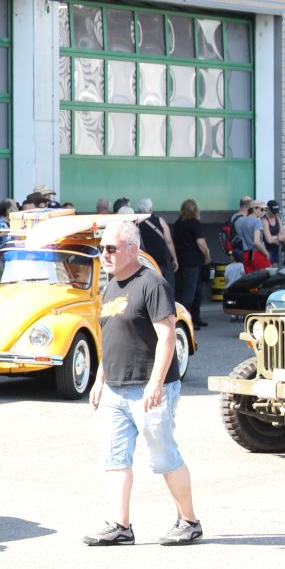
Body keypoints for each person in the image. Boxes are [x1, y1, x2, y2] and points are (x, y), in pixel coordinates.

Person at [84, 221, 201, 546]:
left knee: (164, 456)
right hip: (115, 389)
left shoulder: (152, 284)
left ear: (133, 250)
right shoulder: (111, 286)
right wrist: (100, 379)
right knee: (115, 458)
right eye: (102, 249)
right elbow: (110, 337)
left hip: (147, 389)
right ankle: (120, 526)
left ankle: (189, 521)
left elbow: (167, 337)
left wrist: (156, 383)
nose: (104, 255)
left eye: (111, 249)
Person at [171, 199, 211, 328]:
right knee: (191, 291)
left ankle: (192, 318)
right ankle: (186, 320)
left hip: (180, 260)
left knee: (182, 290)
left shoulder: (178, 224)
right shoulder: (195, 223)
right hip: (193, 261)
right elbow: (201, 243)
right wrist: (207, 256)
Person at [135, 198, 178, 289]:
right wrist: (174, 258)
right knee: (160, 284)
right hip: (159, 259)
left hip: (144, 259)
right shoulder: (160, 221)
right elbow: (169, 241)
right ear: (151, 209)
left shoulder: (136, 223)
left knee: (144, 285)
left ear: (139, 210)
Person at [262, 200, 284, 264]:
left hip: (276, 249)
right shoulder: (264, 220)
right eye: (273, 212)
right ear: (268, 210)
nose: (275, 214)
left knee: (276, 266)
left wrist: (274, 238)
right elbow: (269, 240)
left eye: (276, 212)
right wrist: (279, 237)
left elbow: (284, 236)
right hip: (267, 250)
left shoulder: (277, 219)